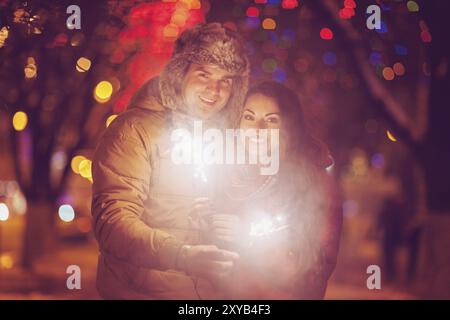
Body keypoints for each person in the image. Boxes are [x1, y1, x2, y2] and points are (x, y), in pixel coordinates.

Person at [91, 23, 250, 299]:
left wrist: (231, 225)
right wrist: (180, 255)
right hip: (139, 292)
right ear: (180, 73)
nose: (215, 89)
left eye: (226, 80)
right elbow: (113, 221)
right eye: (204, 74)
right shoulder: (133, 131)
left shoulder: (224, 138)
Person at [204, 81, 343, 299]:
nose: (257, 129)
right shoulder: (221, 174)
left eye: (271, 120)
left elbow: (314, 270)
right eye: (248, 117)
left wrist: (248, 239)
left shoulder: (315, 185)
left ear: (290, 127)